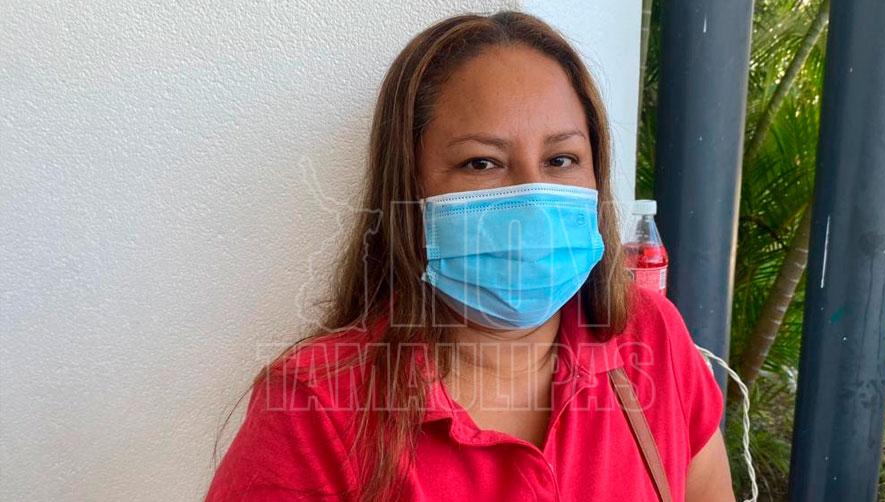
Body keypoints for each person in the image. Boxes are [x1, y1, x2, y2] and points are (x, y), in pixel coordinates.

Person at [206, 10, 734, 502]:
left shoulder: (653, 336)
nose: (533, 201)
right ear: (410, 192)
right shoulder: (314, 410)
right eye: (482, 163)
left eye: (561, 159)